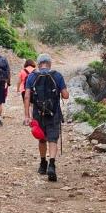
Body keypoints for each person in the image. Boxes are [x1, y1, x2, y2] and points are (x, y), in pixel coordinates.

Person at [24, 53, 69, 182]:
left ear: (38, 64)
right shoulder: (57, 75)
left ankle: (43, 164)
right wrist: (63, 90)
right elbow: (65, 96)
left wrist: (27, 116)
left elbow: (27, 97)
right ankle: (52, 165)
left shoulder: (32, 76)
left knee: (42, 138)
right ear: (49, 63)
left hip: (38, 113)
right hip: (54, 112)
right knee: (53, 139)